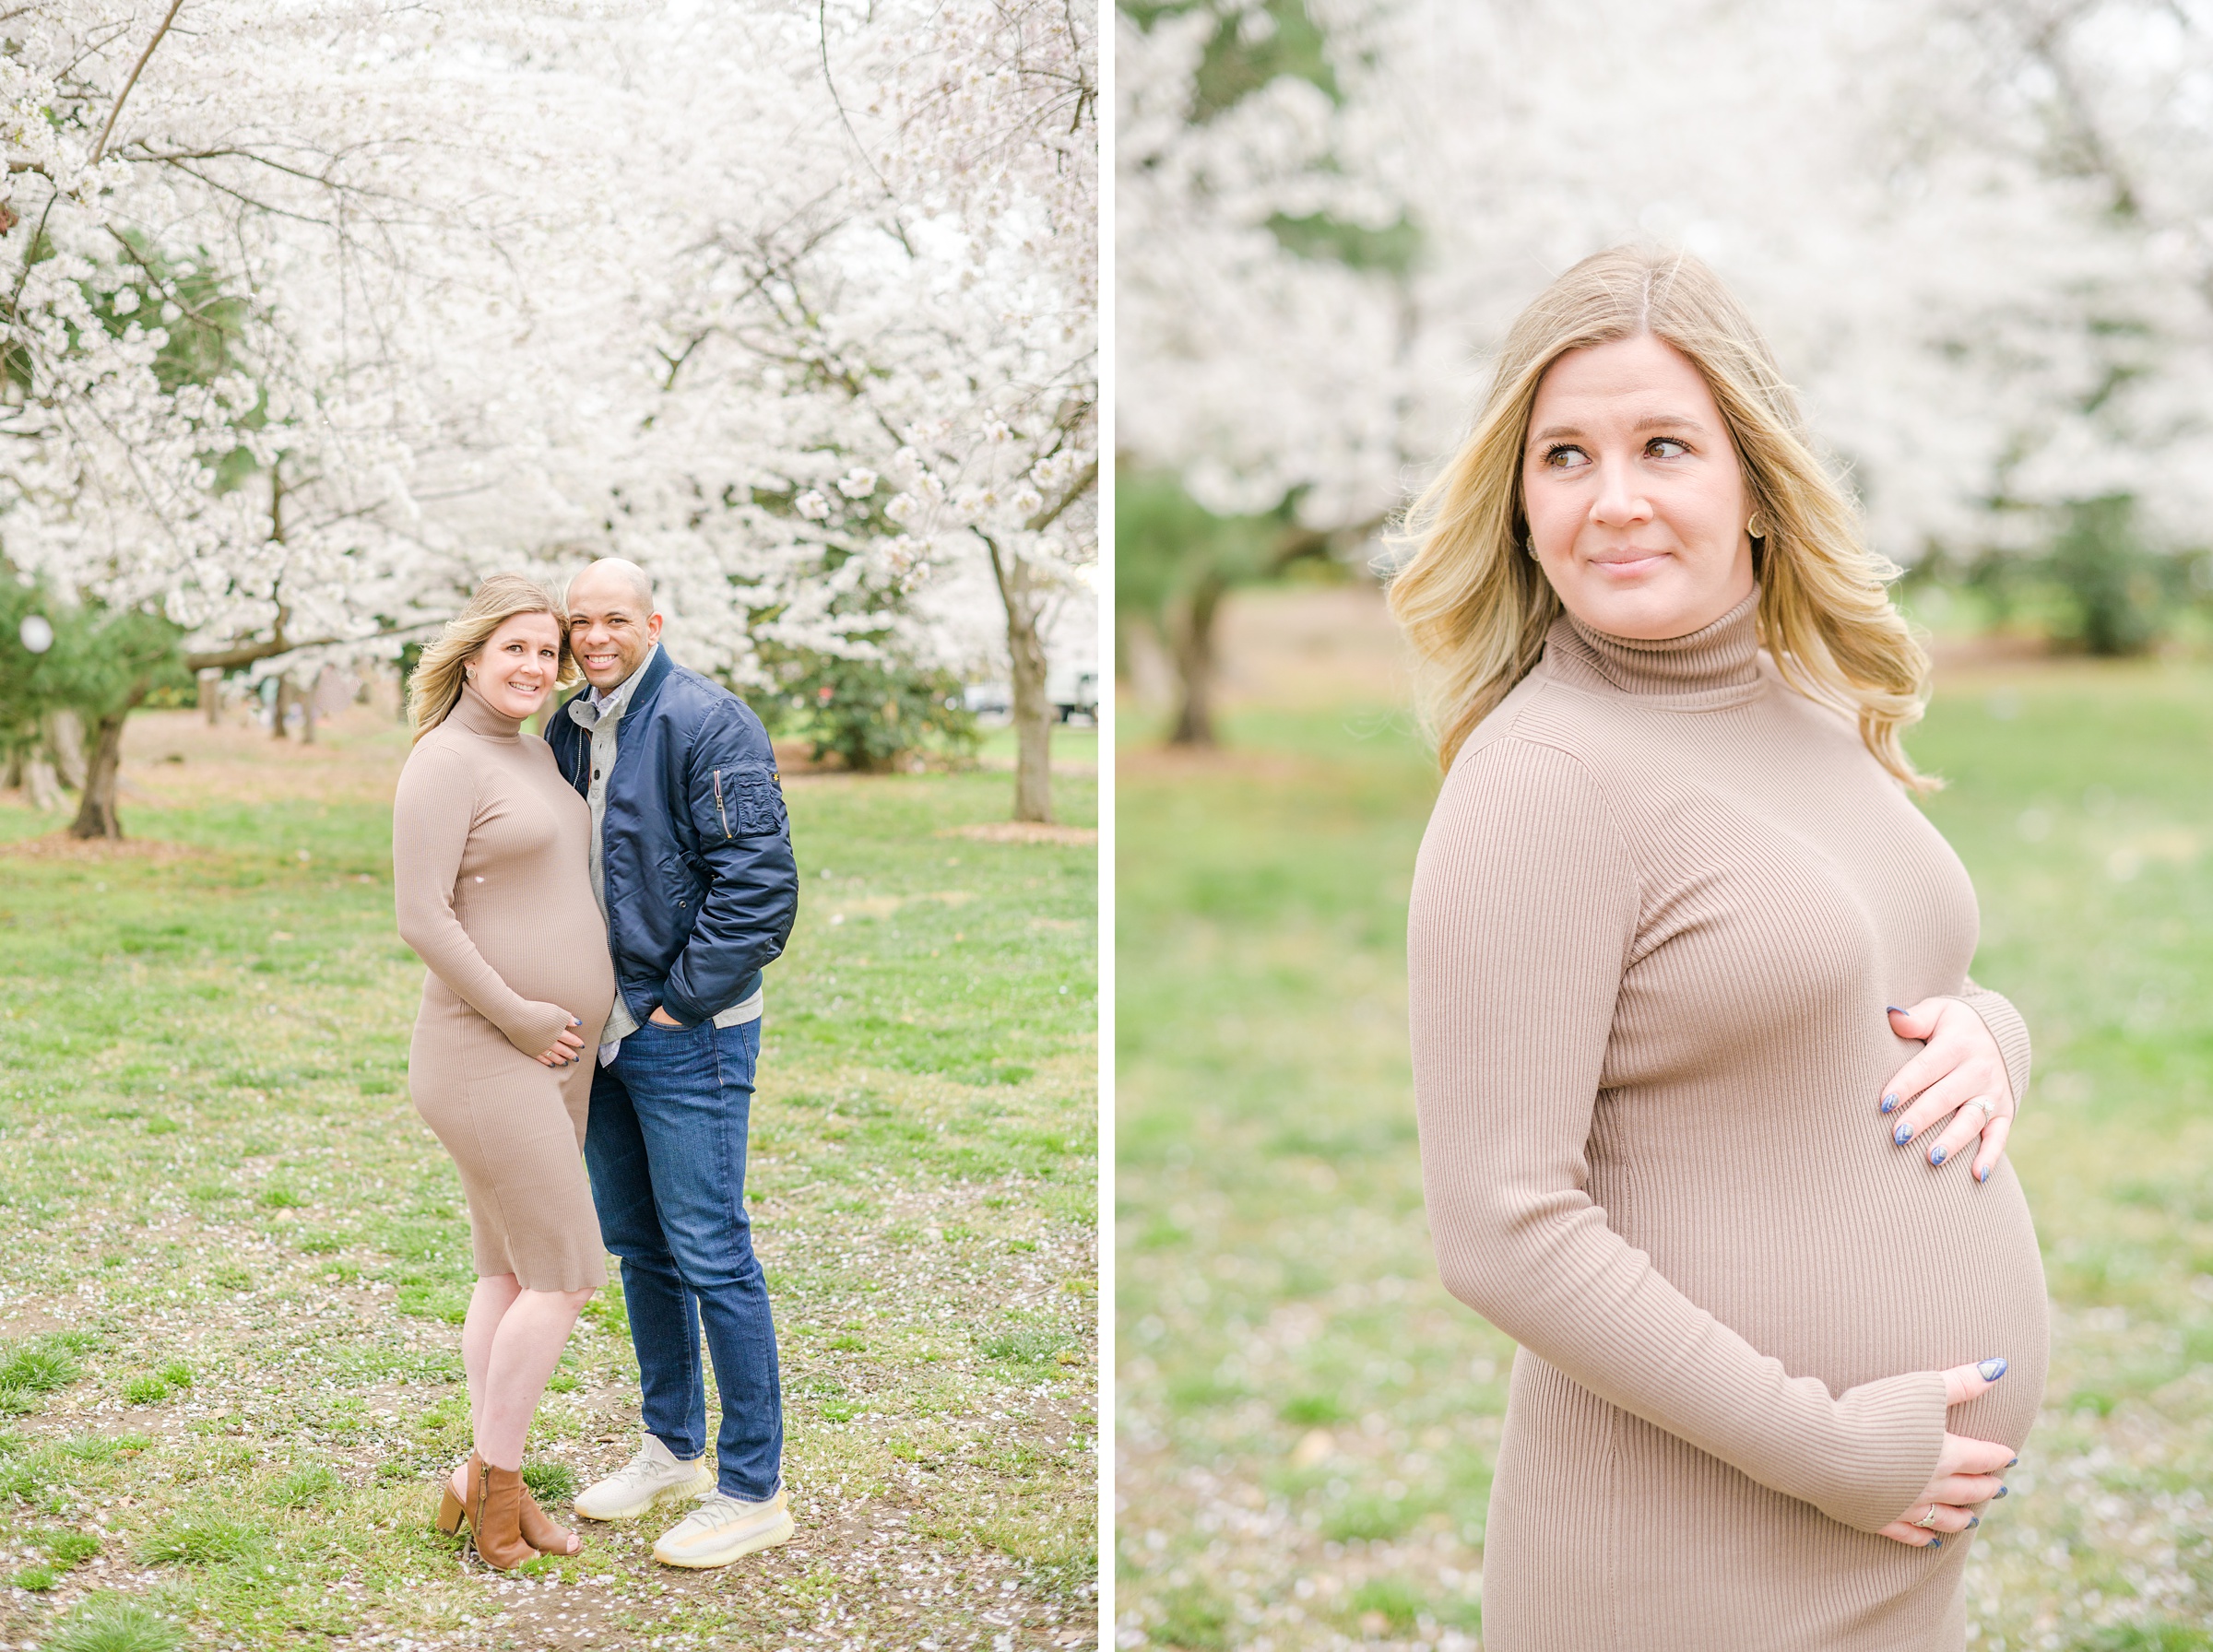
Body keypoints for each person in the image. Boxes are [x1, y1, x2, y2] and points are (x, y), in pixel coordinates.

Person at [1390, 246, 2047, 1649]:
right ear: (1518, 502)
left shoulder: (1807, 706)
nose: (1613, 498)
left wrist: (1994, 1033)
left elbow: (1889, 970)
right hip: (1688, 1555)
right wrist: (1829, 1449)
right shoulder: (1543, 779)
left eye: (1663, 446)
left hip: (1880, 1546)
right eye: (1564, 455)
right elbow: (1503, 1229)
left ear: (1753, 483)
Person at [548, 557, 801, 1569]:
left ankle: (751, 1486)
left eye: (615, 618)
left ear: (653, 619)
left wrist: (672, 1006)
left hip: (683, 1030)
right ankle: (671, 1448)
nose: (595, 637)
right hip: (598, 1032)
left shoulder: (709, 720)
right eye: (580, 622)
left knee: (710, 1246)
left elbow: (761, 885)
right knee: (641, 1246)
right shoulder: (570, 726)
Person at [391, 573, 612, 1570]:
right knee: (566, 1276)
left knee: (511, 1271)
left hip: (548, 1059)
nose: (535, 667)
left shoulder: (526, 754)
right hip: (485, 1052)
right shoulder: (443, 760)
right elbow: (422, 915)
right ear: (471, 657)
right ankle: (497, 1491)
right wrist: (520, 1014)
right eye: (515, 648)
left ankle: (474, 1474)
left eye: (546, 653)